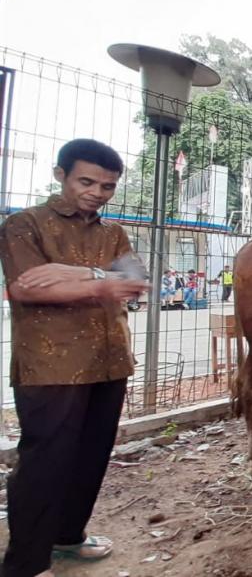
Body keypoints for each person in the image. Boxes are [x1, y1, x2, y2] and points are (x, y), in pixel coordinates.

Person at [0, 138, 150, 577]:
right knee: (44, 462)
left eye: (107, 186)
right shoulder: (24, 224)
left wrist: (77, 274)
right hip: (52, 366)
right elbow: (26, 287)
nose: (96, 193)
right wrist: (104, 281)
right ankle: (25, 563)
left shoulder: (112, 233)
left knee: (91, 455)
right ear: (60, 175)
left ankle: (68, 536)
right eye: (86, 182)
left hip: (110, 359)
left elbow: (135, 282)